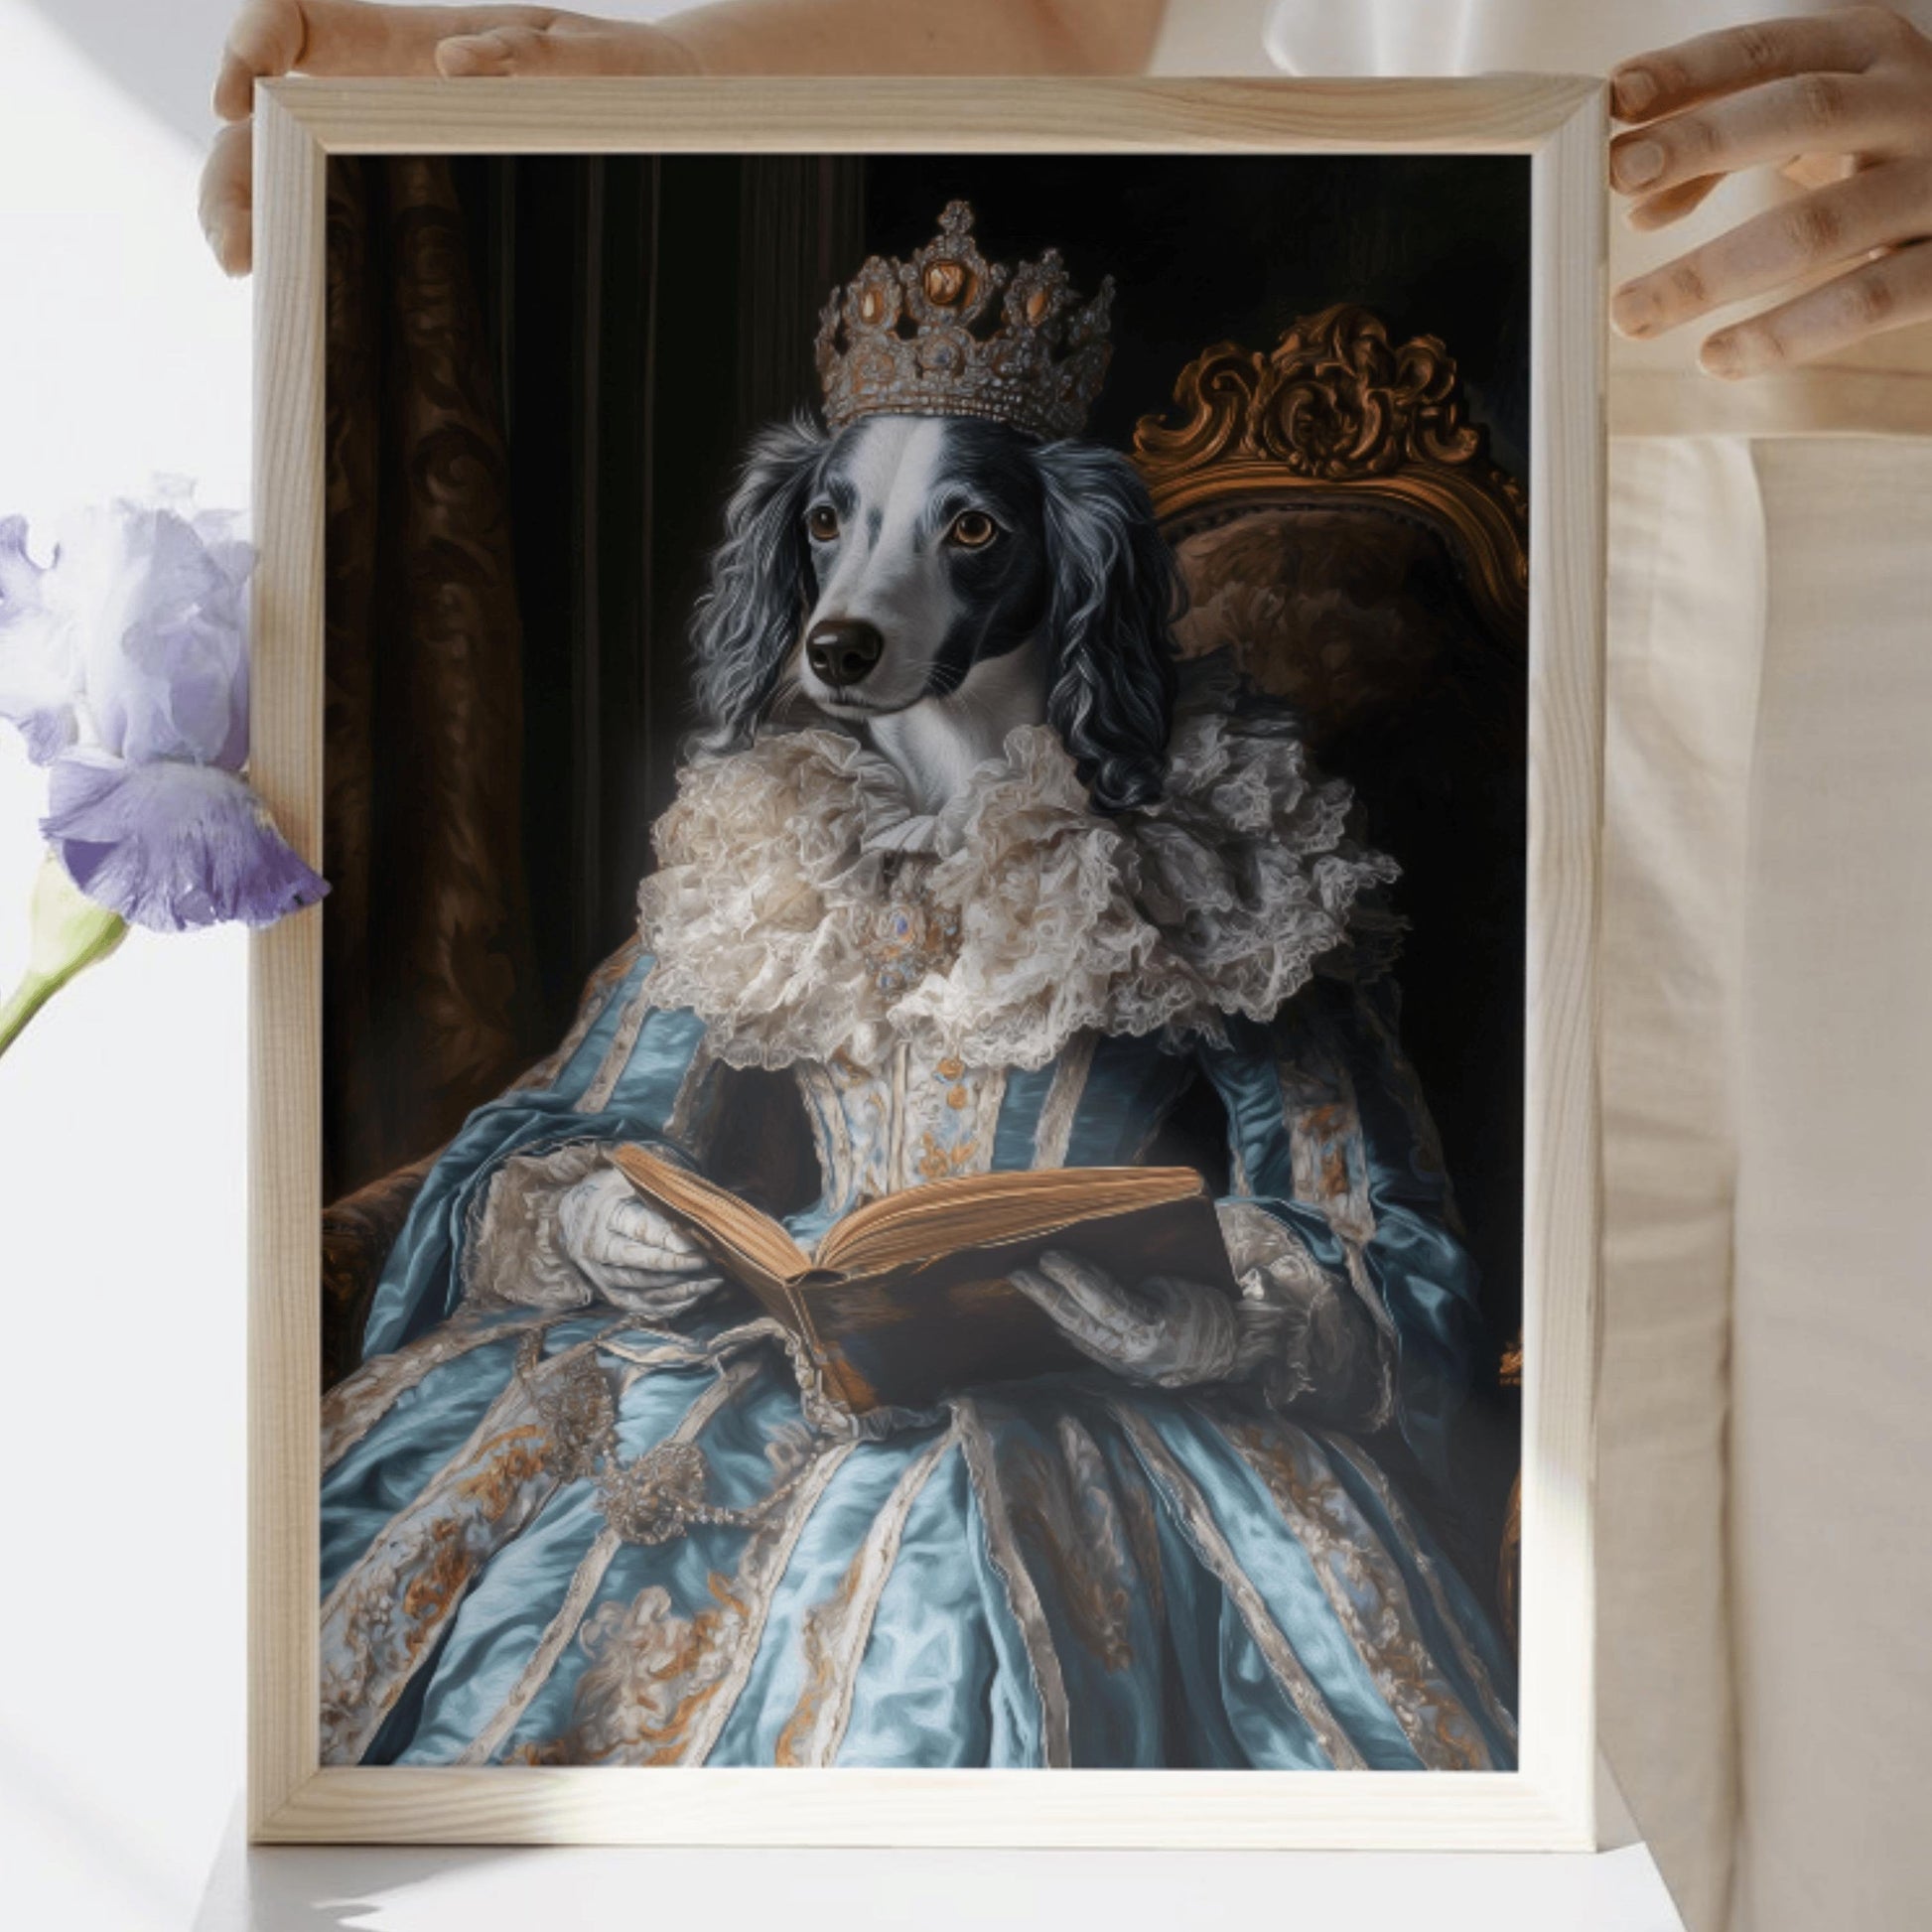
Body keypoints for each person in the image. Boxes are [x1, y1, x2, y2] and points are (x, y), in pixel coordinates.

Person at [201, 3, 1932, 1927]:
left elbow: (1380, 1252)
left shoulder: (1213, 850)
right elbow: (558, 1137)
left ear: (1050, 565)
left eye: (943, 535)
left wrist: (1192, 1304)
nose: (868, 604)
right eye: (846, 537)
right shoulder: (769, 846)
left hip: (1877, 584)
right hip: (747, 1395)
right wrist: (574, 86)